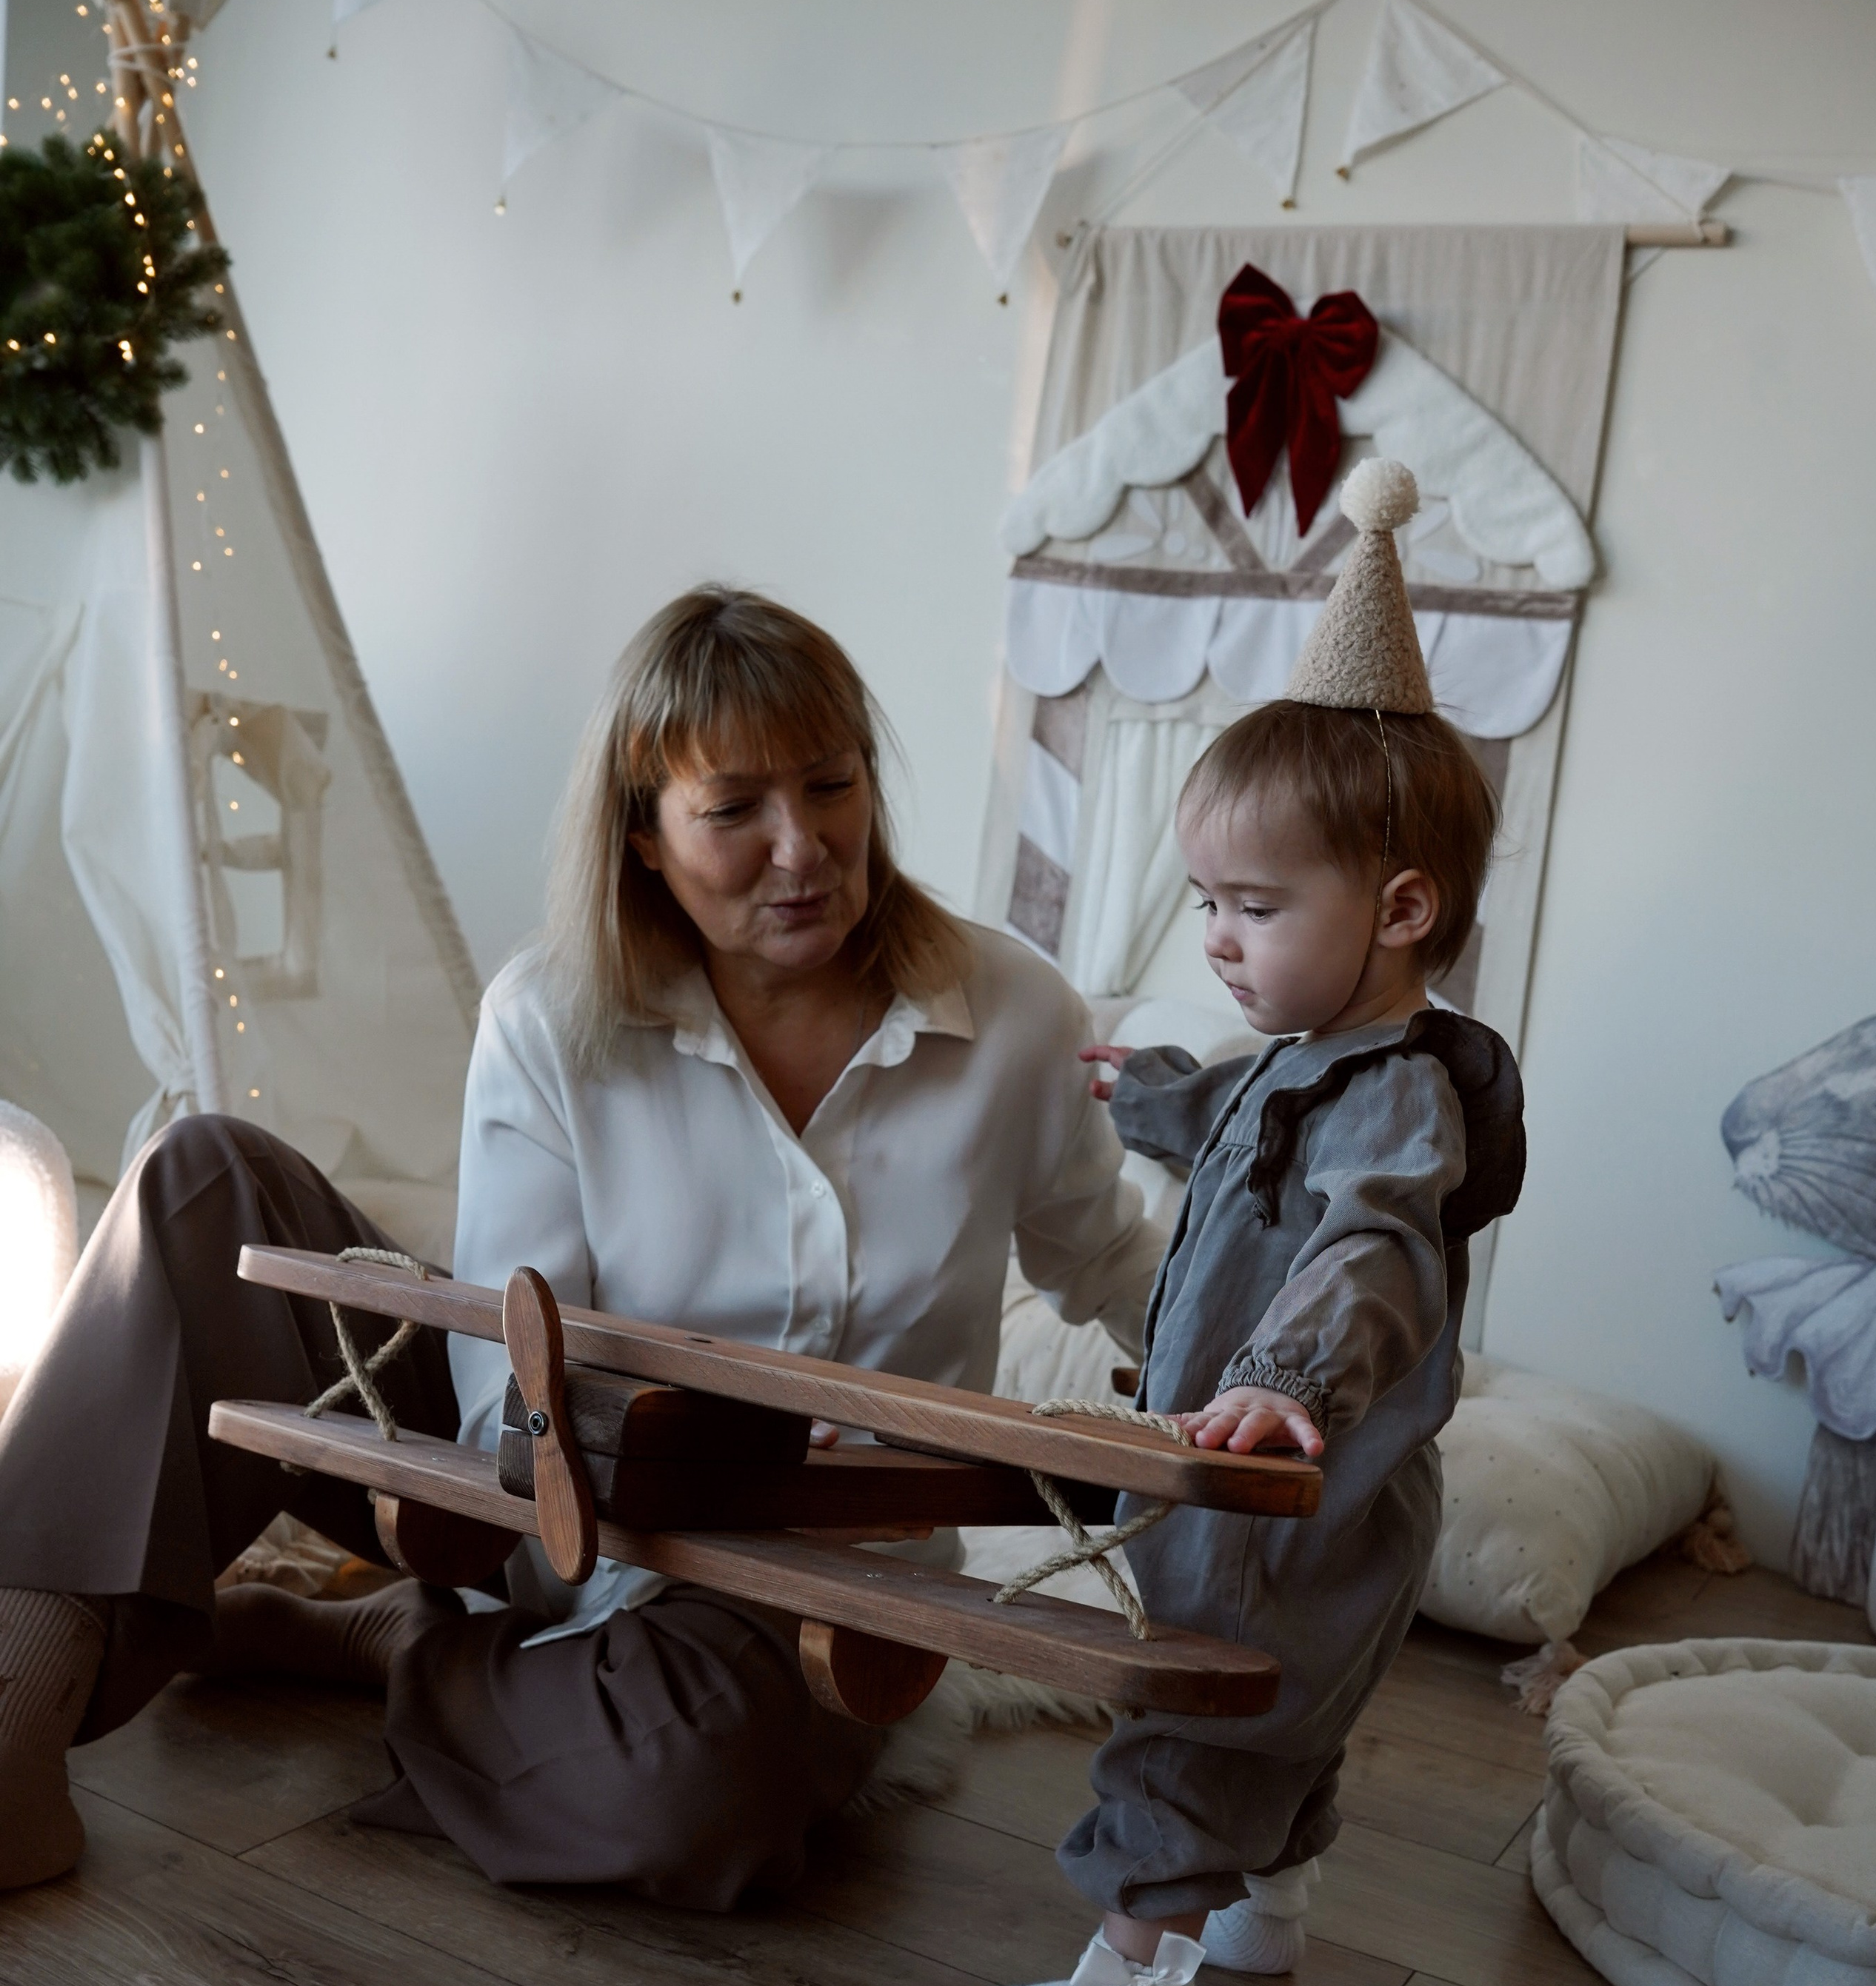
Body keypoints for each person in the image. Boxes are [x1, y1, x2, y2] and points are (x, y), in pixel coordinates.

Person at [0, 589, 1162, 1901]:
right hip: (538, 1480)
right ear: (645, 837)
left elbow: (1117, 1268)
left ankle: (393, 1644)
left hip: (802, 1581)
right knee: (201, 1182)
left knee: (689, 1788)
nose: (806, 849)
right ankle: (10, 1723)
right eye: (734, 812)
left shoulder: (1011, 1015)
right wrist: (676, 1439)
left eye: (832, 786)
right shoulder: (552, 1014)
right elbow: (504, 1380)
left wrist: (1273, 1383)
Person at [962, 461, 1526, 1986]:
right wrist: (1142, 1089)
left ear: (1400, 910)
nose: (1215, 936)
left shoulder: (1396, 1095)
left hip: (1287, 1475)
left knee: (1191, 1711)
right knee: (1290, 1715)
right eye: (1204, 900)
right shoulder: (1310, 1055)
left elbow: (1367, 1247)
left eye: (1253, 907)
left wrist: (1284, 1384)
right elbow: (1228, 1107)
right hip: (1292, 1483)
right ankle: (1269, 1915)